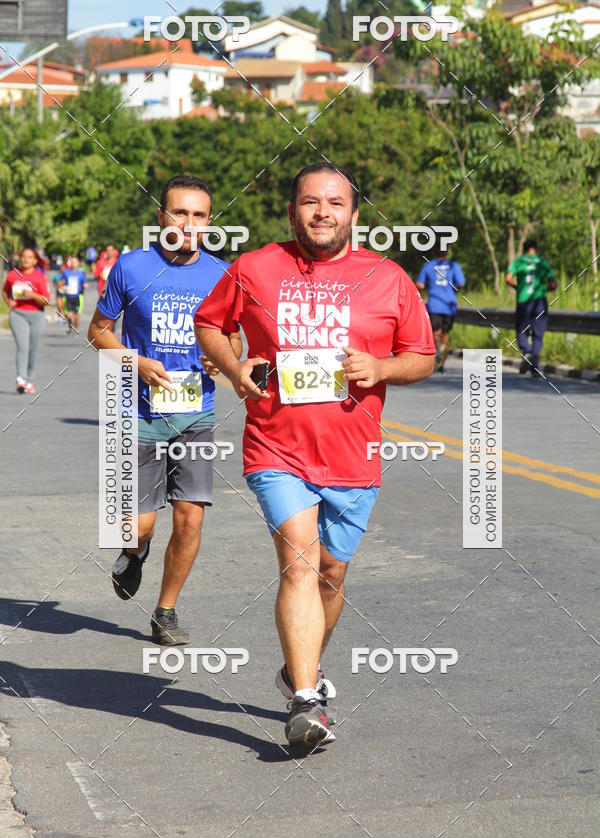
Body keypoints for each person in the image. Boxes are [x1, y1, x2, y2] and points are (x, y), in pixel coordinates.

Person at [195, 163, 436, 750]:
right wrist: (234, 367)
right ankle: (305, 700)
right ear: (292, 211)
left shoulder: (387, 277)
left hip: (354, 456)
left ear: (353, 214)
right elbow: (209, 324)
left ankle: (299, 667)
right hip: (276, 446)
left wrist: (382, 367)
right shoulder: (254, 268)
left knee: (331, 573)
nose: (322, 212)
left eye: (335, 203)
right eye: (310, 202)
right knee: (299, 564)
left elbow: (423, 356)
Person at [88, 175, 242, 646]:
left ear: (210, 221)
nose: (189, 223)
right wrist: (135, 362)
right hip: (138, 412)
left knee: (191, 516)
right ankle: (135, 553)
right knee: (138, 526)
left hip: (196, 411)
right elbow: (98, 331)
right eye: (179, 212)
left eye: (199, 215)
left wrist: (223, 359)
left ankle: (165, 611)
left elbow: (233, 338)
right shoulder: (131, 267)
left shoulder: (222, 273)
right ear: (161, 216)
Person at [2, 247, 51, 394]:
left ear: (35, 261)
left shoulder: (40, 277)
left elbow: (47, 301)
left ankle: (29, 379)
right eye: (24, 256)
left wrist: (31, 295)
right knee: (22, 347)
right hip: (18, 314)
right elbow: (5, 291)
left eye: (30, 257)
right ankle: (21, 379)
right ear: (20, 258)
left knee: (32, 349)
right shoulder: (13, 275)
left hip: (37, 315)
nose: (26, 259)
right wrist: (8, 302)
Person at [506, 239, 557, 376]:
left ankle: (526, 351)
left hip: (524, 301)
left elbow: (508, 278)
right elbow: (553, 284)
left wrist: (517, 287)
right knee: (538, 334)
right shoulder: (542, 263)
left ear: (524, 249)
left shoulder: (518, 262)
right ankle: (534, 366)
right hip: (540, 301)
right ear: (536, 249)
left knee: (521, 330)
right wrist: (545, 289)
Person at [416, 247, 465, 373]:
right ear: (448, 252)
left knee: (436, 333)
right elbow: (461, 283)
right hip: (449, 304)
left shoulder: (428, 266)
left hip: (434, 305)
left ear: (435, 252)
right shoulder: (453, 265)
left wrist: (429, 285)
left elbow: (420, 284)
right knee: (446, 334)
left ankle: (437, 352)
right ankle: (441, 364)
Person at [58, 255, 88, 334]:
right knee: (68, 315)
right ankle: (70, 326)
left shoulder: (81, 274)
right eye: (72, 261)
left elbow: (85, 284)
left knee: (76, 315)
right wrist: (61, 284)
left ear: (78, 263)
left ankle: (76, 329)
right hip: (67, 296)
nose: (73, 263)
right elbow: (60, 282)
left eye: (75, 262)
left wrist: (85, 285)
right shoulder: (66, 272)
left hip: (77, 296)